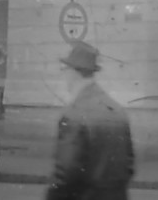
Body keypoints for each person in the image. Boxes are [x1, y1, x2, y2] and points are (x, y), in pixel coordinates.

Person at [47, 40, 135, 200]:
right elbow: (128, 166)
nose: (64, 76)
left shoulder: (74, 115)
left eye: (65, 69)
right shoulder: (117, 111)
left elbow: (65, 175)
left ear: (73, 72)